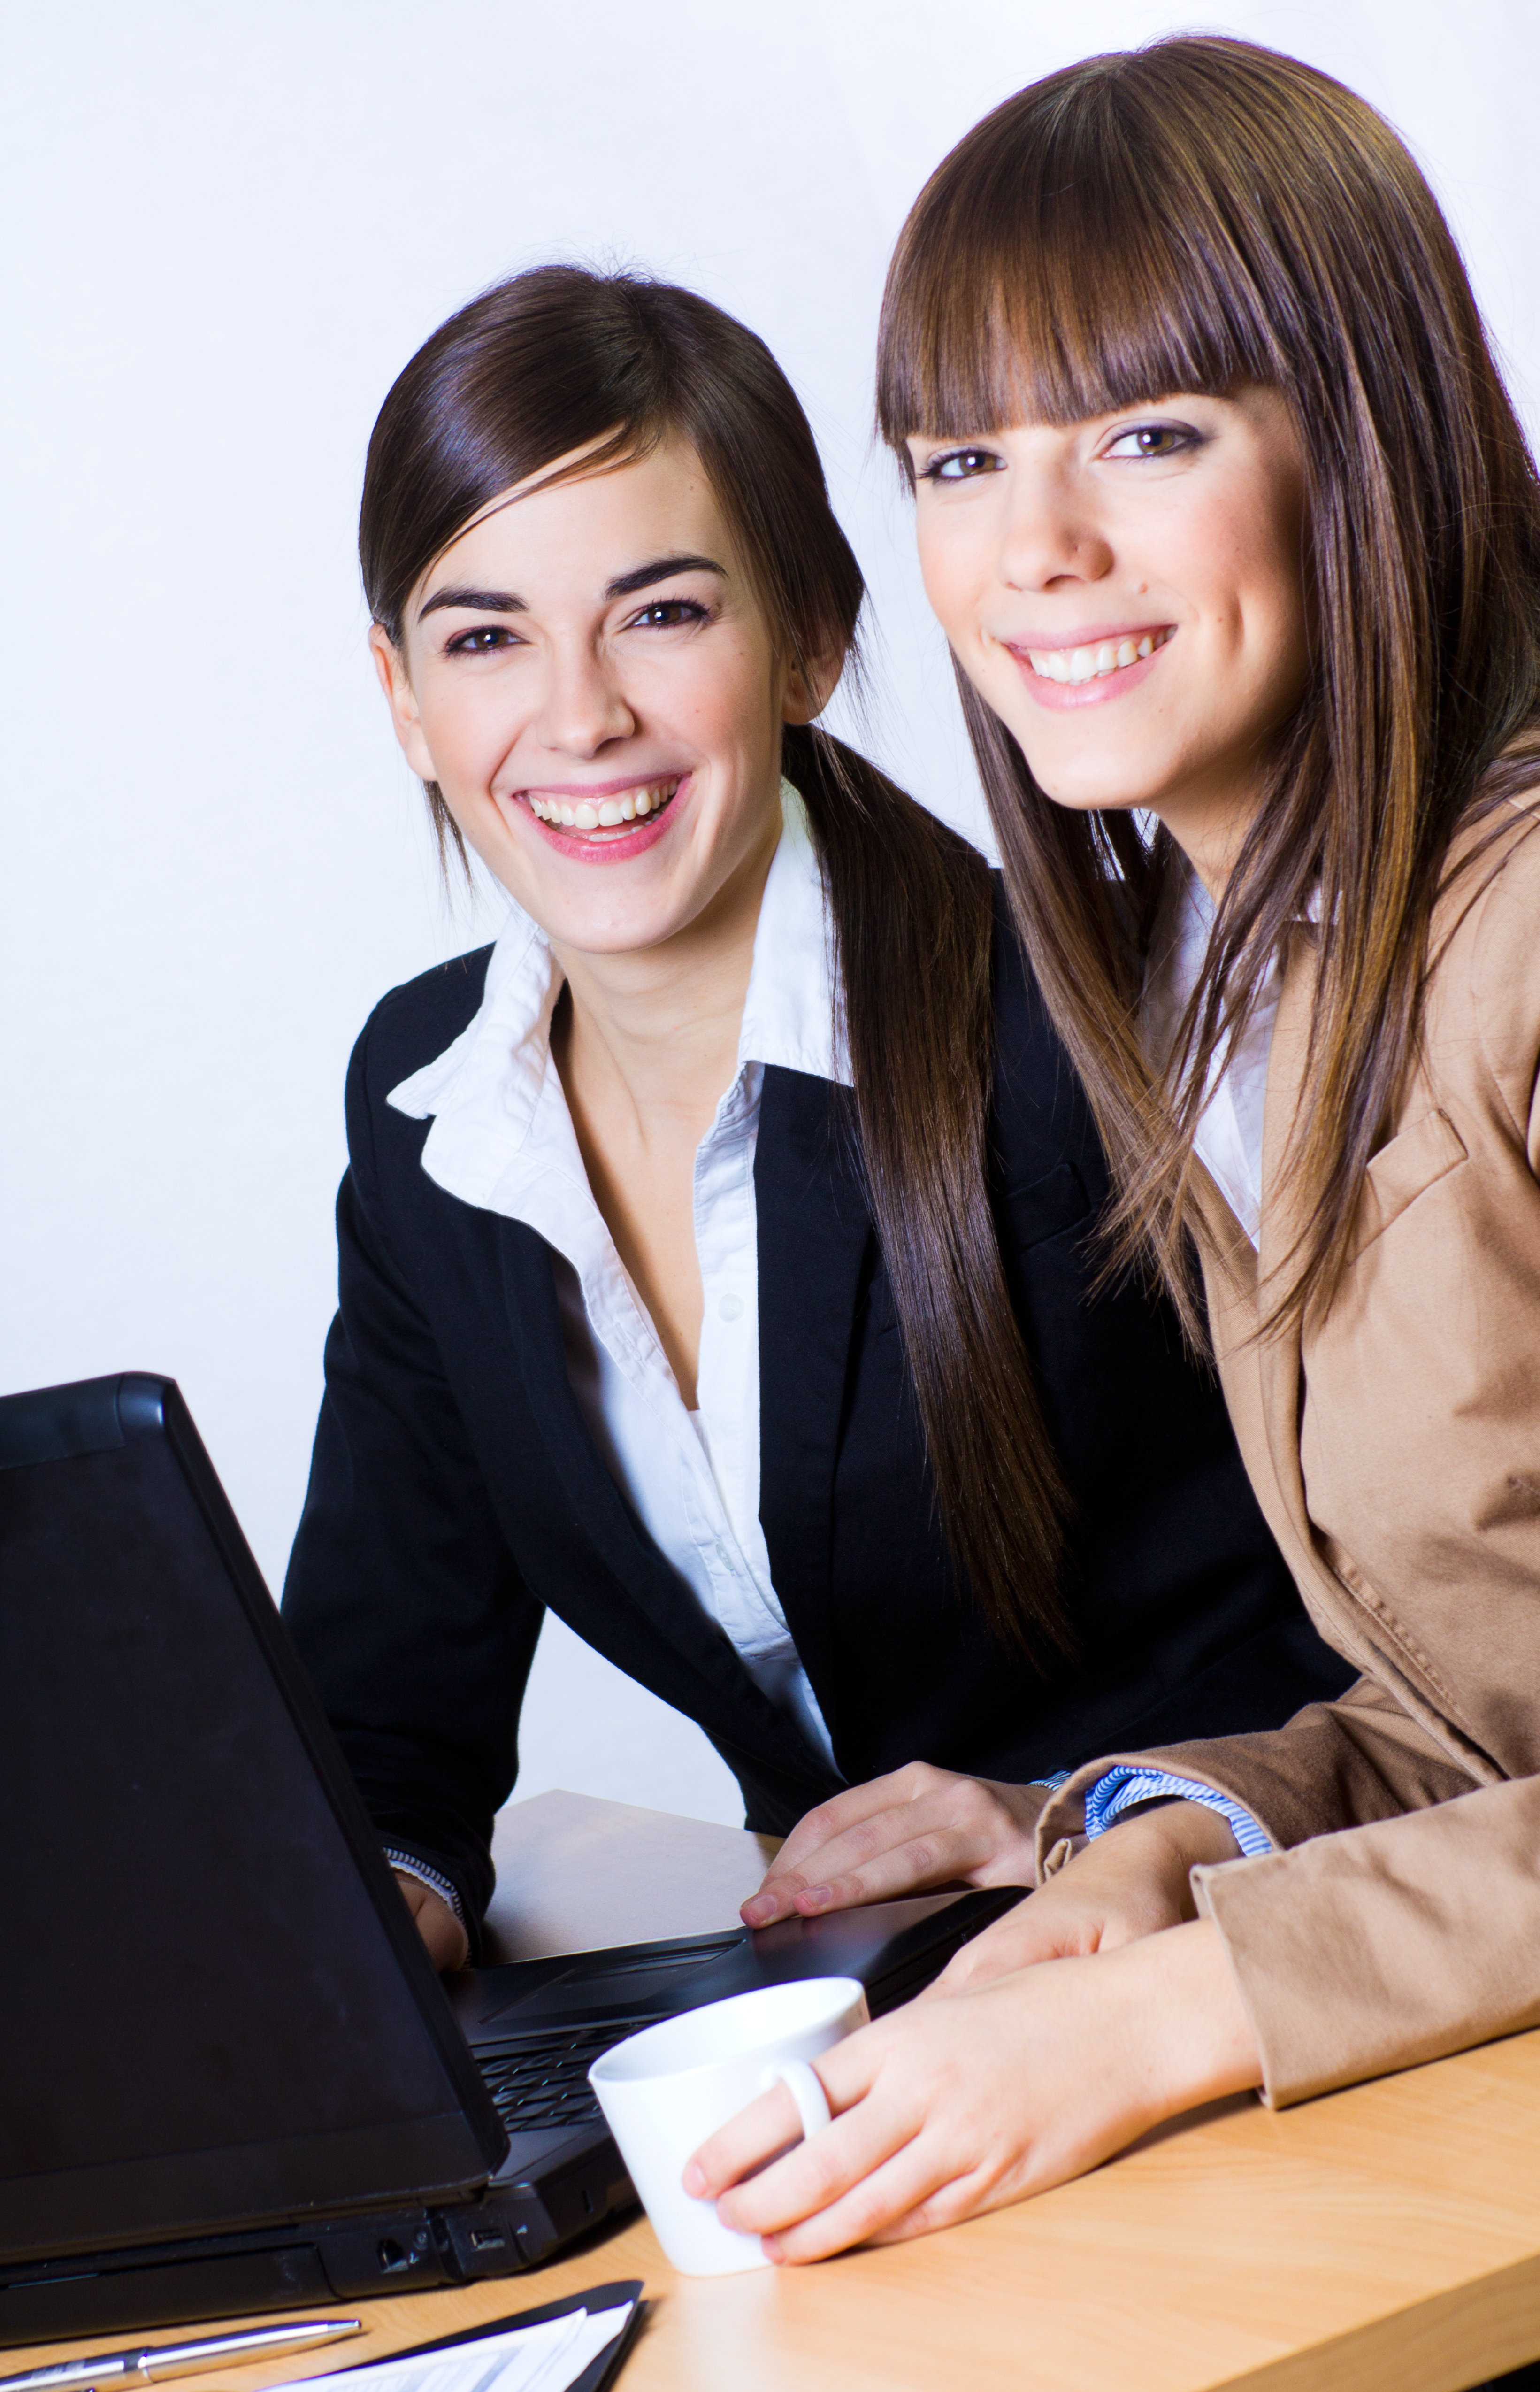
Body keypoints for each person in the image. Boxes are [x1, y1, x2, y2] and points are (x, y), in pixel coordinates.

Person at [688, 34, 1540, 2269]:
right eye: (962, 458)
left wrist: (1188, 2011)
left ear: (1363, 439)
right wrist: (1160, 1847)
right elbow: (1500, 1712)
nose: (1036, 550)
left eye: (1151, 432)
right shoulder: (1218, 974)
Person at [280, 265, 1347, 1972]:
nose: (579, 716)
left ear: (812, 642)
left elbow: (1420, 1614)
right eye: (485, 638)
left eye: (661, 614)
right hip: (867, 1998)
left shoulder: (1099, 1015)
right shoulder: (432, 1100)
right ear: (405, 698)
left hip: (1239, 1946)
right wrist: (370, 1914)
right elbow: (384, 1706)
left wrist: (1077, 1809)